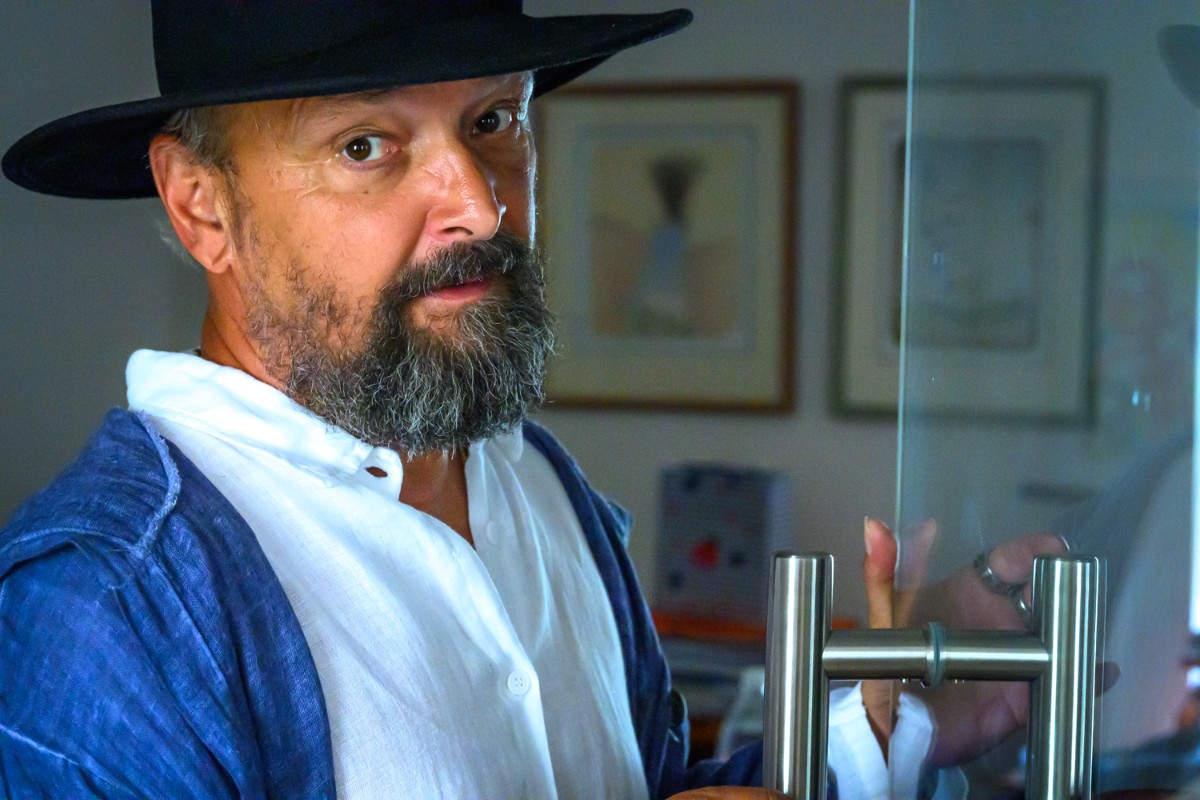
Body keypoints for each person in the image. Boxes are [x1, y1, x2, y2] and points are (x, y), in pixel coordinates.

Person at [0, 2, 929, 798]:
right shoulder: (104, 608)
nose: (481, 208)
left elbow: (645, 782)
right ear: (202, 205)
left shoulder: (539, 482)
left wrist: (890, 725)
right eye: (365, 145)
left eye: (492, 120)